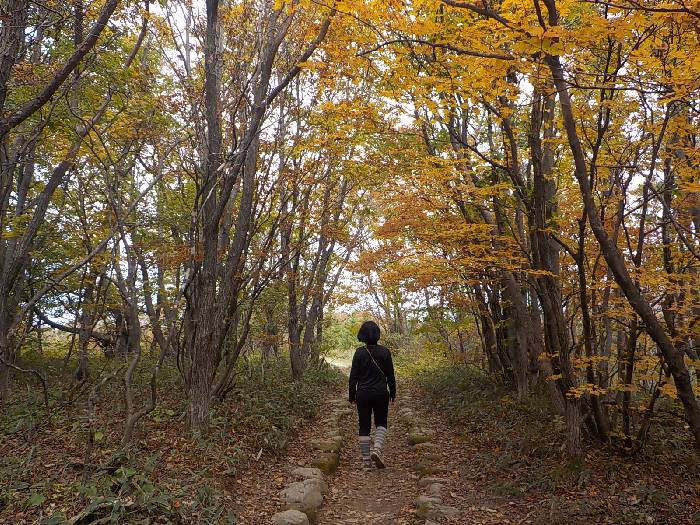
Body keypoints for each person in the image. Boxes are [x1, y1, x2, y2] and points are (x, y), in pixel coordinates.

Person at [348, 320, 396, 469]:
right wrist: (393, 392)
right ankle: (377, 449)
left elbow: (353, 377)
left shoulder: (359, 352)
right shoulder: (385, 352)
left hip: (362, 394)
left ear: (362, 335)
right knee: (381, 422)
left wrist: (352, 395)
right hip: (381, 393)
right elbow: (390, 375)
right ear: (377, 335)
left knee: (364, 425)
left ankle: (366, 462)